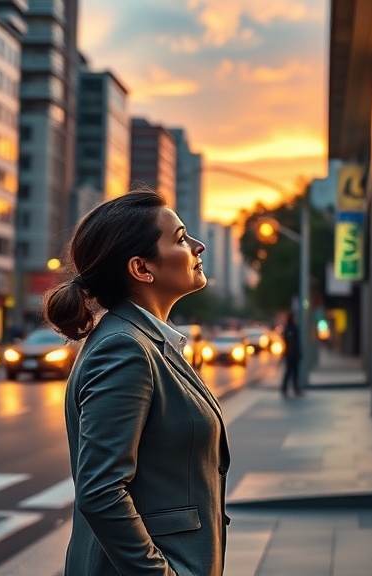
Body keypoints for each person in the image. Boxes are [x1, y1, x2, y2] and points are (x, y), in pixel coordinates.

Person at [43, 191, 230, 576]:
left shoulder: (145, 340)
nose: (198, 246)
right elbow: (100, 492)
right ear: (142, 268)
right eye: (180, 238)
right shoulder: (124, 348)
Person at [281, 311, 302, 397]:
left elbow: (297, 342)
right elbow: (288, 341)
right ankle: (284, 388)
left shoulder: (295, 328)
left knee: (295, 372)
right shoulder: (288, 329)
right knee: (289, 372)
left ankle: (295, 388)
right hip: (290, 354)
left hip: (295, 354)